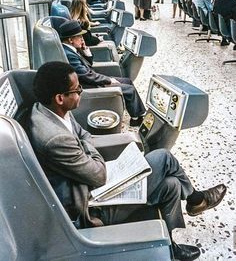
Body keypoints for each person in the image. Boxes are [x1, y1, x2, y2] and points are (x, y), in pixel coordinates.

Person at [28, 60, 227, 261]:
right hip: (91, 208)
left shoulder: (50, 111)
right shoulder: (55, 138)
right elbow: (98, 174)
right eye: (77, 89)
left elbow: (85, 135)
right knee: (163, 157)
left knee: (171, 185)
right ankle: (195, 200)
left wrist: (87, 151)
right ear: (60, 98)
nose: (81, 91)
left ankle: (171, 244)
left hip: (87, 182)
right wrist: (92, 155)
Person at [59, 20, 146, 127]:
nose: (82, 38)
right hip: (88, 84)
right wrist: (108, 80)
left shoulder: (70, 49)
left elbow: (87, 66)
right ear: (70, 39)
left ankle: (137, 113)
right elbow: (86, 76)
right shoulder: (70, 54)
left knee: (127, 81)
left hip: (90, 79)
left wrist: (85, 50)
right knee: (129, 89)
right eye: (79, 36)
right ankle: (136, 119)